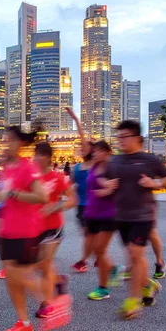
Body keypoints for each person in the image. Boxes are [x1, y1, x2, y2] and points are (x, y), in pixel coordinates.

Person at [100, 120, 166, 319]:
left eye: (125, 136)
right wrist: (108, 185)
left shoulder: (149, 160)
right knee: (136, 258)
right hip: (121, 216)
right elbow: (104, 179)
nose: (120, 140)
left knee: (134, 254)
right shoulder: (115, 161)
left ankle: (132, 302)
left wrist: (154, 183)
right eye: (119, 137)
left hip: (144, 215)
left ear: (137, 138)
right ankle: (148, 286)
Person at [0, 127, 48, 331]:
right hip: (7, 231)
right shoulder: (6, 169)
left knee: (20, 275)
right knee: (12, 279)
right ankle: (23, 322)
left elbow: (41, 196)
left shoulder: (28, 167)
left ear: (21, 143)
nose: (6, 143)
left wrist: (13, 193)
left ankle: (52, 301)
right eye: (5, 139)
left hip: (26, 231)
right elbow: (3, 197)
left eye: (11, 140)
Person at [33, 142, 77, 318]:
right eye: (35, 155)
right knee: (38, 264)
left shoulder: (57, 178)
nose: (37, 158)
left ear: (48, 158)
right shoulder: (32, 178)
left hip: (53, 227)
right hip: (34, 227)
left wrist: (55, 207)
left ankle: (46, 303)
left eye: (41, 155)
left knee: (44, 263)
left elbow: (72, 199)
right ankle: (58, 280)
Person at [84, 141, 122, 301]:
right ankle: (114, 269)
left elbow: (117, 186)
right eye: (94, 151)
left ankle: (103, 288)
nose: (95, 154)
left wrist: (106, 189)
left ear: (107, 152)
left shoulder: (112, 167)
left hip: (108, 214)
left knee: (100, 250)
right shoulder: (94, 166)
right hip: (92, 213)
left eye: (99, 151)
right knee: (95, 251)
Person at [66, 107, 96, 273]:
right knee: (88, 235)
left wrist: (76, 119)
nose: (81, 147)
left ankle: (83, 261)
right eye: (81, 147)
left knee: (88, 235)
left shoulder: (94, 165)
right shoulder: (77, 167)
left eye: (85, 147)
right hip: (81, 205)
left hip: (93, 205)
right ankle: (97, 256)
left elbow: (82, 137)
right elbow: (69, 184)